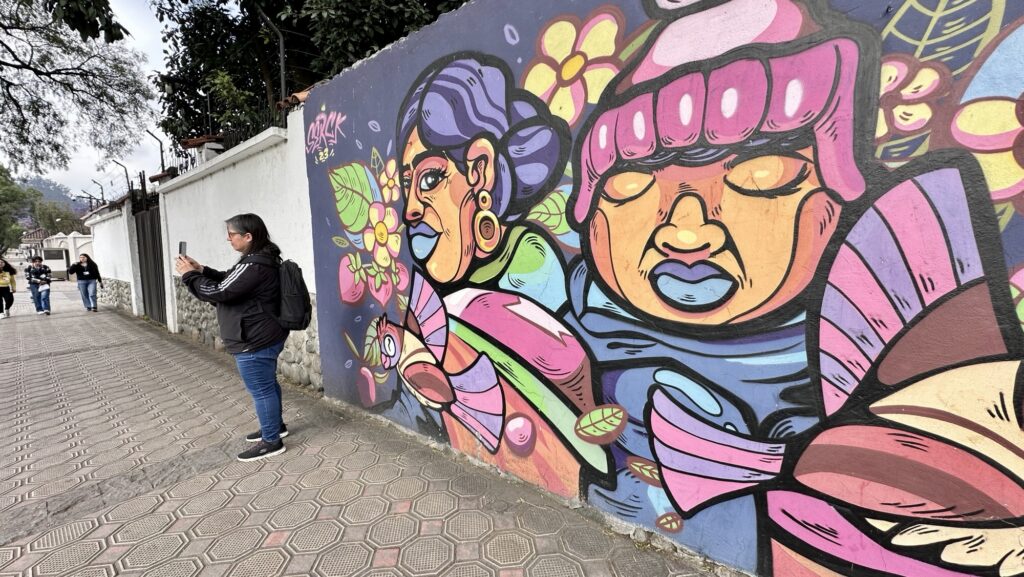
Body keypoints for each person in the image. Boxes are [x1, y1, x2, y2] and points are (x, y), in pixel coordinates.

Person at [563, 0, 1024, 575]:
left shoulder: (876, 337)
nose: (686, 231)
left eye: (760, 175)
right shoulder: (585, 317)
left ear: (836, 202)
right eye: (630, 184)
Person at [398, 53, 570, 311]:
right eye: (407, 183)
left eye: (430, 178)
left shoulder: (530, 263)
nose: (409, 209)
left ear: (479, 169)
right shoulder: (450, 286)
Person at [174, 214, 290, 462]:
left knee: (261, 390)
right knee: (267, 385)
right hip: (261, 333)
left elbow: (220, 292)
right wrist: (201, 269)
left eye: (231, 234)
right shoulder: (256, 260)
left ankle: (271, 441)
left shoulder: (254, 264)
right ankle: (275, 426)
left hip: (254, 338)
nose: (228, 239)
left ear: (248, 236)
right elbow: (230, 279)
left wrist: (189, 276)